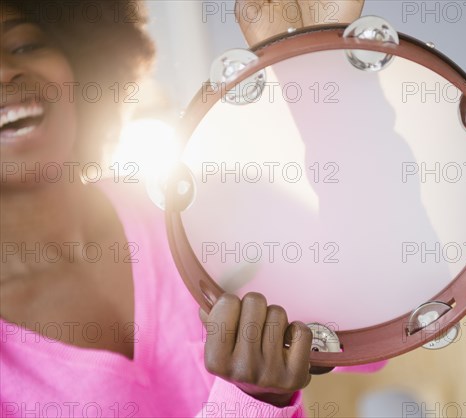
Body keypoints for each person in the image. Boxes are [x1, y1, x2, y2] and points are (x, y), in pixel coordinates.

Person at [0, 1, 375, 416]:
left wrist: (315, 67)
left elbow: (374, 327)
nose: (5, 71)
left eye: (24, 45)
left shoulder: (190, 203)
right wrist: (251, 403)